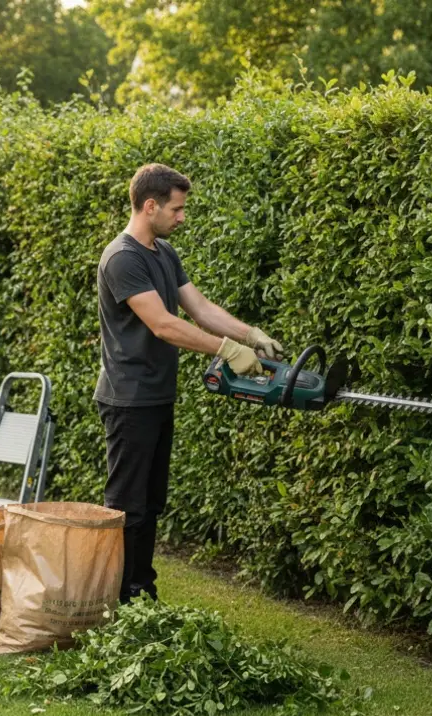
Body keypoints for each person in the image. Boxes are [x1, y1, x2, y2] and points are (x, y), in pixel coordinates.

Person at [94, 163, 282, 603]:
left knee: (152, 502)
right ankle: (117, 599)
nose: (182, 217)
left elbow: (199, 309)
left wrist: (249, 335)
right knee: (127, 507)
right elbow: (163, 325)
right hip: (128, 399)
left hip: (157, 395)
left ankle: (142, 593)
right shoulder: (122, 258)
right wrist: (225, 350)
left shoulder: (163, 252)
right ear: (150, 205)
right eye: (176, 209)